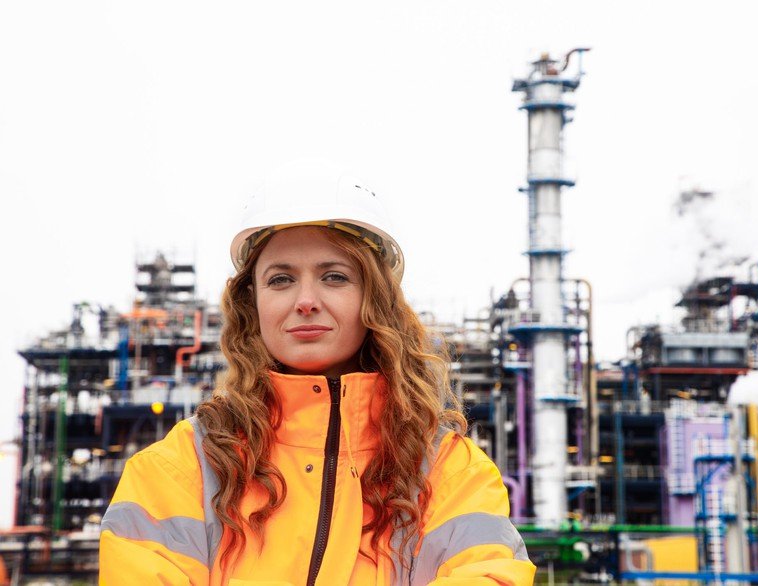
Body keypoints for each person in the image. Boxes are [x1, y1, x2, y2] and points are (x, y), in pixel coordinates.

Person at [99, 161, 536, 585]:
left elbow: (491, 574)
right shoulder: (187, 466)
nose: (305, 300)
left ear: (375, 300)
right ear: (252, 303)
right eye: (281, 280)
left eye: (334, 276)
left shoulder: (446, 471)